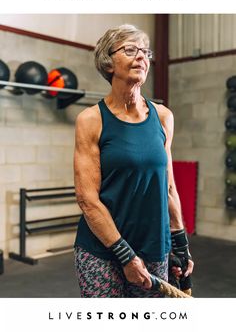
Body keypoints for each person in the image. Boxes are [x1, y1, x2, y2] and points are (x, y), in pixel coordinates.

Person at [73, 24, 194, 298]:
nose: (141, 57)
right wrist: (126, 257)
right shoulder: (91, 120)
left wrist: (181, 244)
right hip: (102, 252)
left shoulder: (163, 117)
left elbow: (169, 188)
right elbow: (87, 199)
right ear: (108, 63)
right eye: (130, 50)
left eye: (145, 51)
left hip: (154, 248)